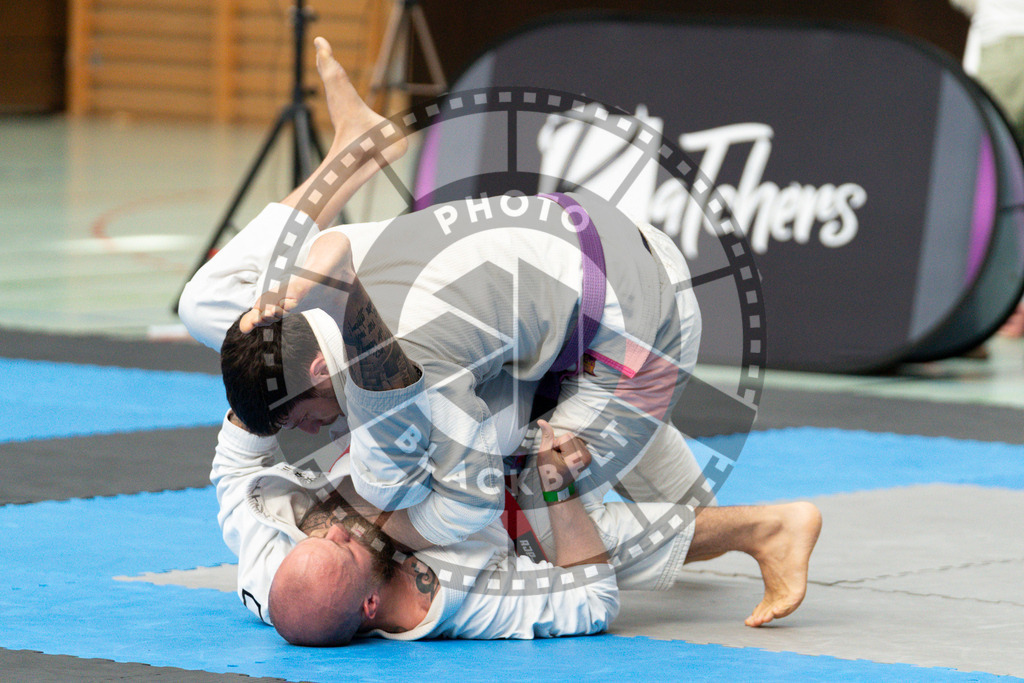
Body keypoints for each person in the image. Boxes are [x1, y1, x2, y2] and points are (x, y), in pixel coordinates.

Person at [179, 37, 708, 553]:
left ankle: (744, 525)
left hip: (646, 327)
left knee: (539, 525)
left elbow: (472, 503)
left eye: (302, 420)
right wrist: (255, 398)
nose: (312, 432)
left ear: (319, 368)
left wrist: (374, 536)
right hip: (569, 258)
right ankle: (356, 152)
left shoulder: (415, 373)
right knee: (205, 302)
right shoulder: (311, 289)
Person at [212, 405, 822, 644]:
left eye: (322, 537)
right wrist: (559, 486)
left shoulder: (274, 572)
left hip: (412, 395)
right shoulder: (456, 605)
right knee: (575, 537)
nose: (337, 532)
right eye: (343, 551)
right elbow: (591, 598)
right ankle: (766, 529)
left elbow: (235, 465)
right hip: (525, 450)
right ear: (371, 606)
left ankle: (752, 525)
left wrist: (267, 385)